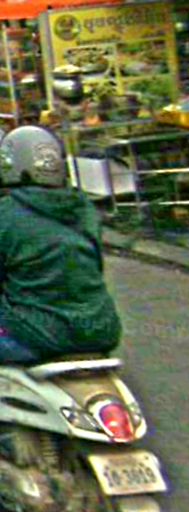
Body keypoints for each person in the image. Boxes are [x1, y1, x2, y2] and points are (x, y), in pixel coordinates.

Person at [0, 125, 121, 364]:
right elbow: (95, 266)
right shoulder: (84, 208)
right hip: (102, 330)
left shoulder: (6, 213)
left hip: (37, 336)